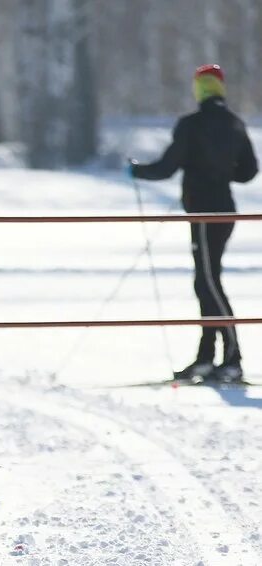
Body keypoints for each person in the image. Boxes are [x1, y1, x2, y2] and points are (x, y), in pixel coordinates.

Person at [130, 63, 257, 383]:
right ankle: (207, 356)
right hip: (225, 210)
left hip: (203, 212)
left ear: (199, 89)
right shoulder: (234, 123)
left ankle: (231, 358)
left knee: (208, 283)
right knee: (207, 280)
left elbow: (167, 167)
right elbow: (248, 172)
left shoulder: (192, 124)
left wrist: (137, 170)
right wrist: (220, 169)